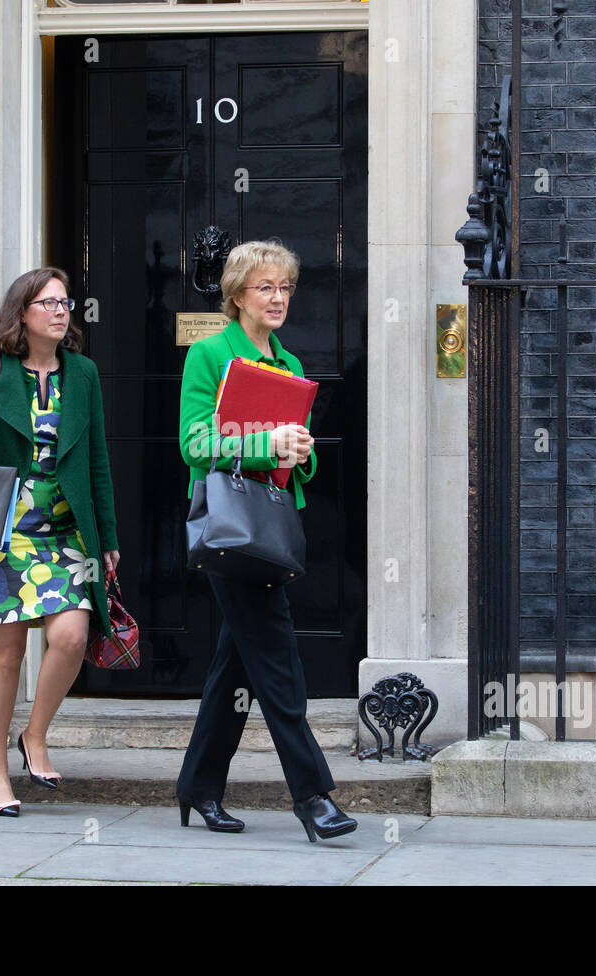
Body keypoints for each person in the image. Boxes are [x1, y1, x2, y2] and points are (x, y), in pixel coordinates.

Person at [175, 240, 357, 842]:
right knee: (278, 664)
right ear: (236, 295)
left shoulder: (291, 365)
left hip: (270, 525)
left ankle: (199, 784)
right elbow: (195, 445)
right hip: (230, 529)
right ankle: (313, 796)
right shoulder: (208, 356)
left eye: (285, 288)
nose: (278, 298)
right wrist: (262, 444)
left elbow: (294, 461)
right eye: (265, 288)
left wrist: (298, 453)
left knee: (237, 667)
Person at [0, 267, 119, 817]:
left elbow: (98, 460)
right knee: (7, 653)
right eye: (50, 303)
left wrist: (106, 535)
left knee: (71, 636)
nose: (62, 311)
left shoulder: (82, 374)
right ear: (23, 312)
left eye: (66, 303)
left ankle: (33, 736)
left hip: (65, 533)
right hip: (3, 535)